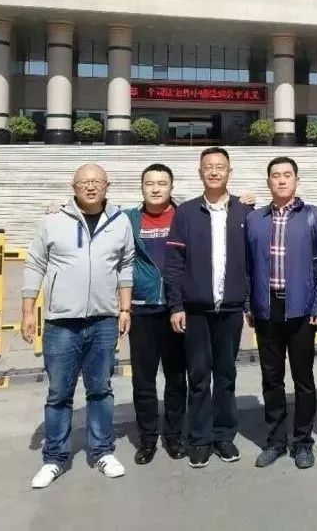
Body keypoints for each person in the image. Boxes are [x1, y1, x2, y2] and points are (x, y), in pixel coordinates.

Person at [21, 164, 136, 489]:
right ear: (73, 187)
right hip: (61, 322)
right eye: (84, 182)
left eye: (97, 181)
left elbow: (126, 264)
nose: (90, 186)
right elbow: (35, 263)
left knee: (101, 389)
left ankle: (102, 451)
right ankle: (55, 457)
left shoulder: (119, 221)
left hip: (103, 320)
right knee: (59, 393)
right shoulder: (53, 220)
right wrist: (28, 310)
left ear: (107, 185)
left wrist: (124, 307)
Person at [165, 147, 253, 469]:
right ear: (200, 172)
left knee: (226, 374)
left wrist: (248, 304)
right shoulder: (186, 213)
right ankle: (200, 439)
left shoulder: (245, 212)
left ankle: (224, 435)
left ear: (229, 172)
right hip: (196, 310)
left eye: (220, 167)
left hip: (230, 310)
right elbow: (174, 263)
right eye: (208, 167)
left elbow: (252, 263)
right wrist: (176, 304)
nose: (214, 172)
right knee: (199, 376)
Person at [245, 156, 317, 470]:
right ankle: (275, 441)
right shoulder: (255, 219)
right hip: (267, 309)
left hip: (302, 310)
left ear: (297, 180)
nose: (281, 180)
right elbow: (247, 267)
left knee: (303, 380)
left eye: (287, 175)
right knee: (271, 379)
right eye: (275, 175)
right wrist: (249, 304)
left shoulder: (314, 216)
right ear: (268, 181)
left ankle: (302, 442)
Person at [124, 164, 187, 465]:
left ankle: (173, 435)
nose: (156, 188)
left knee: (176, 377)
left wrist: (245, 201)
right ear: (142, 187)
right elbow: (95, 213)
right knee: (143, 380)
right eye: (150, 183)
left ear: (171, 187)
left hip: (176, 309)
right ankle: (147, 438)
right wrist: (57, 209)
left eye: (162, 183)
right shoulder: (128, 219)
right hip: (143, 309)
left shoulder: (184, 215)